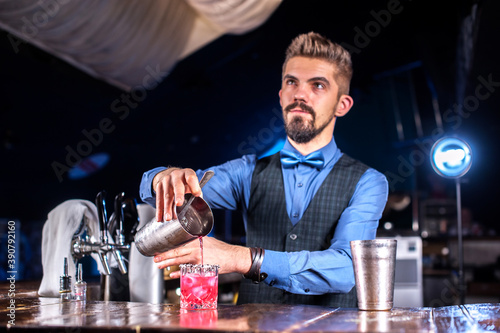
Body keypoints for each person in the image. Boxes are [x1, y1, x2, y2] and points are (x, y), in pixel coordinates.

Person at [139, 32, 388, 307]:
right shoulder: (246, 172)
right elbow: (165, 193)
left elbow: (346, 268)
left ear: (342, 105)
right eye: (292, 82)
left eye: (317, 85)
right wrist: (162, 177)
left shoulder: (368, 182)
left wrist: (238, 257)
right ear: (282, 96)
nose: (300, 94)